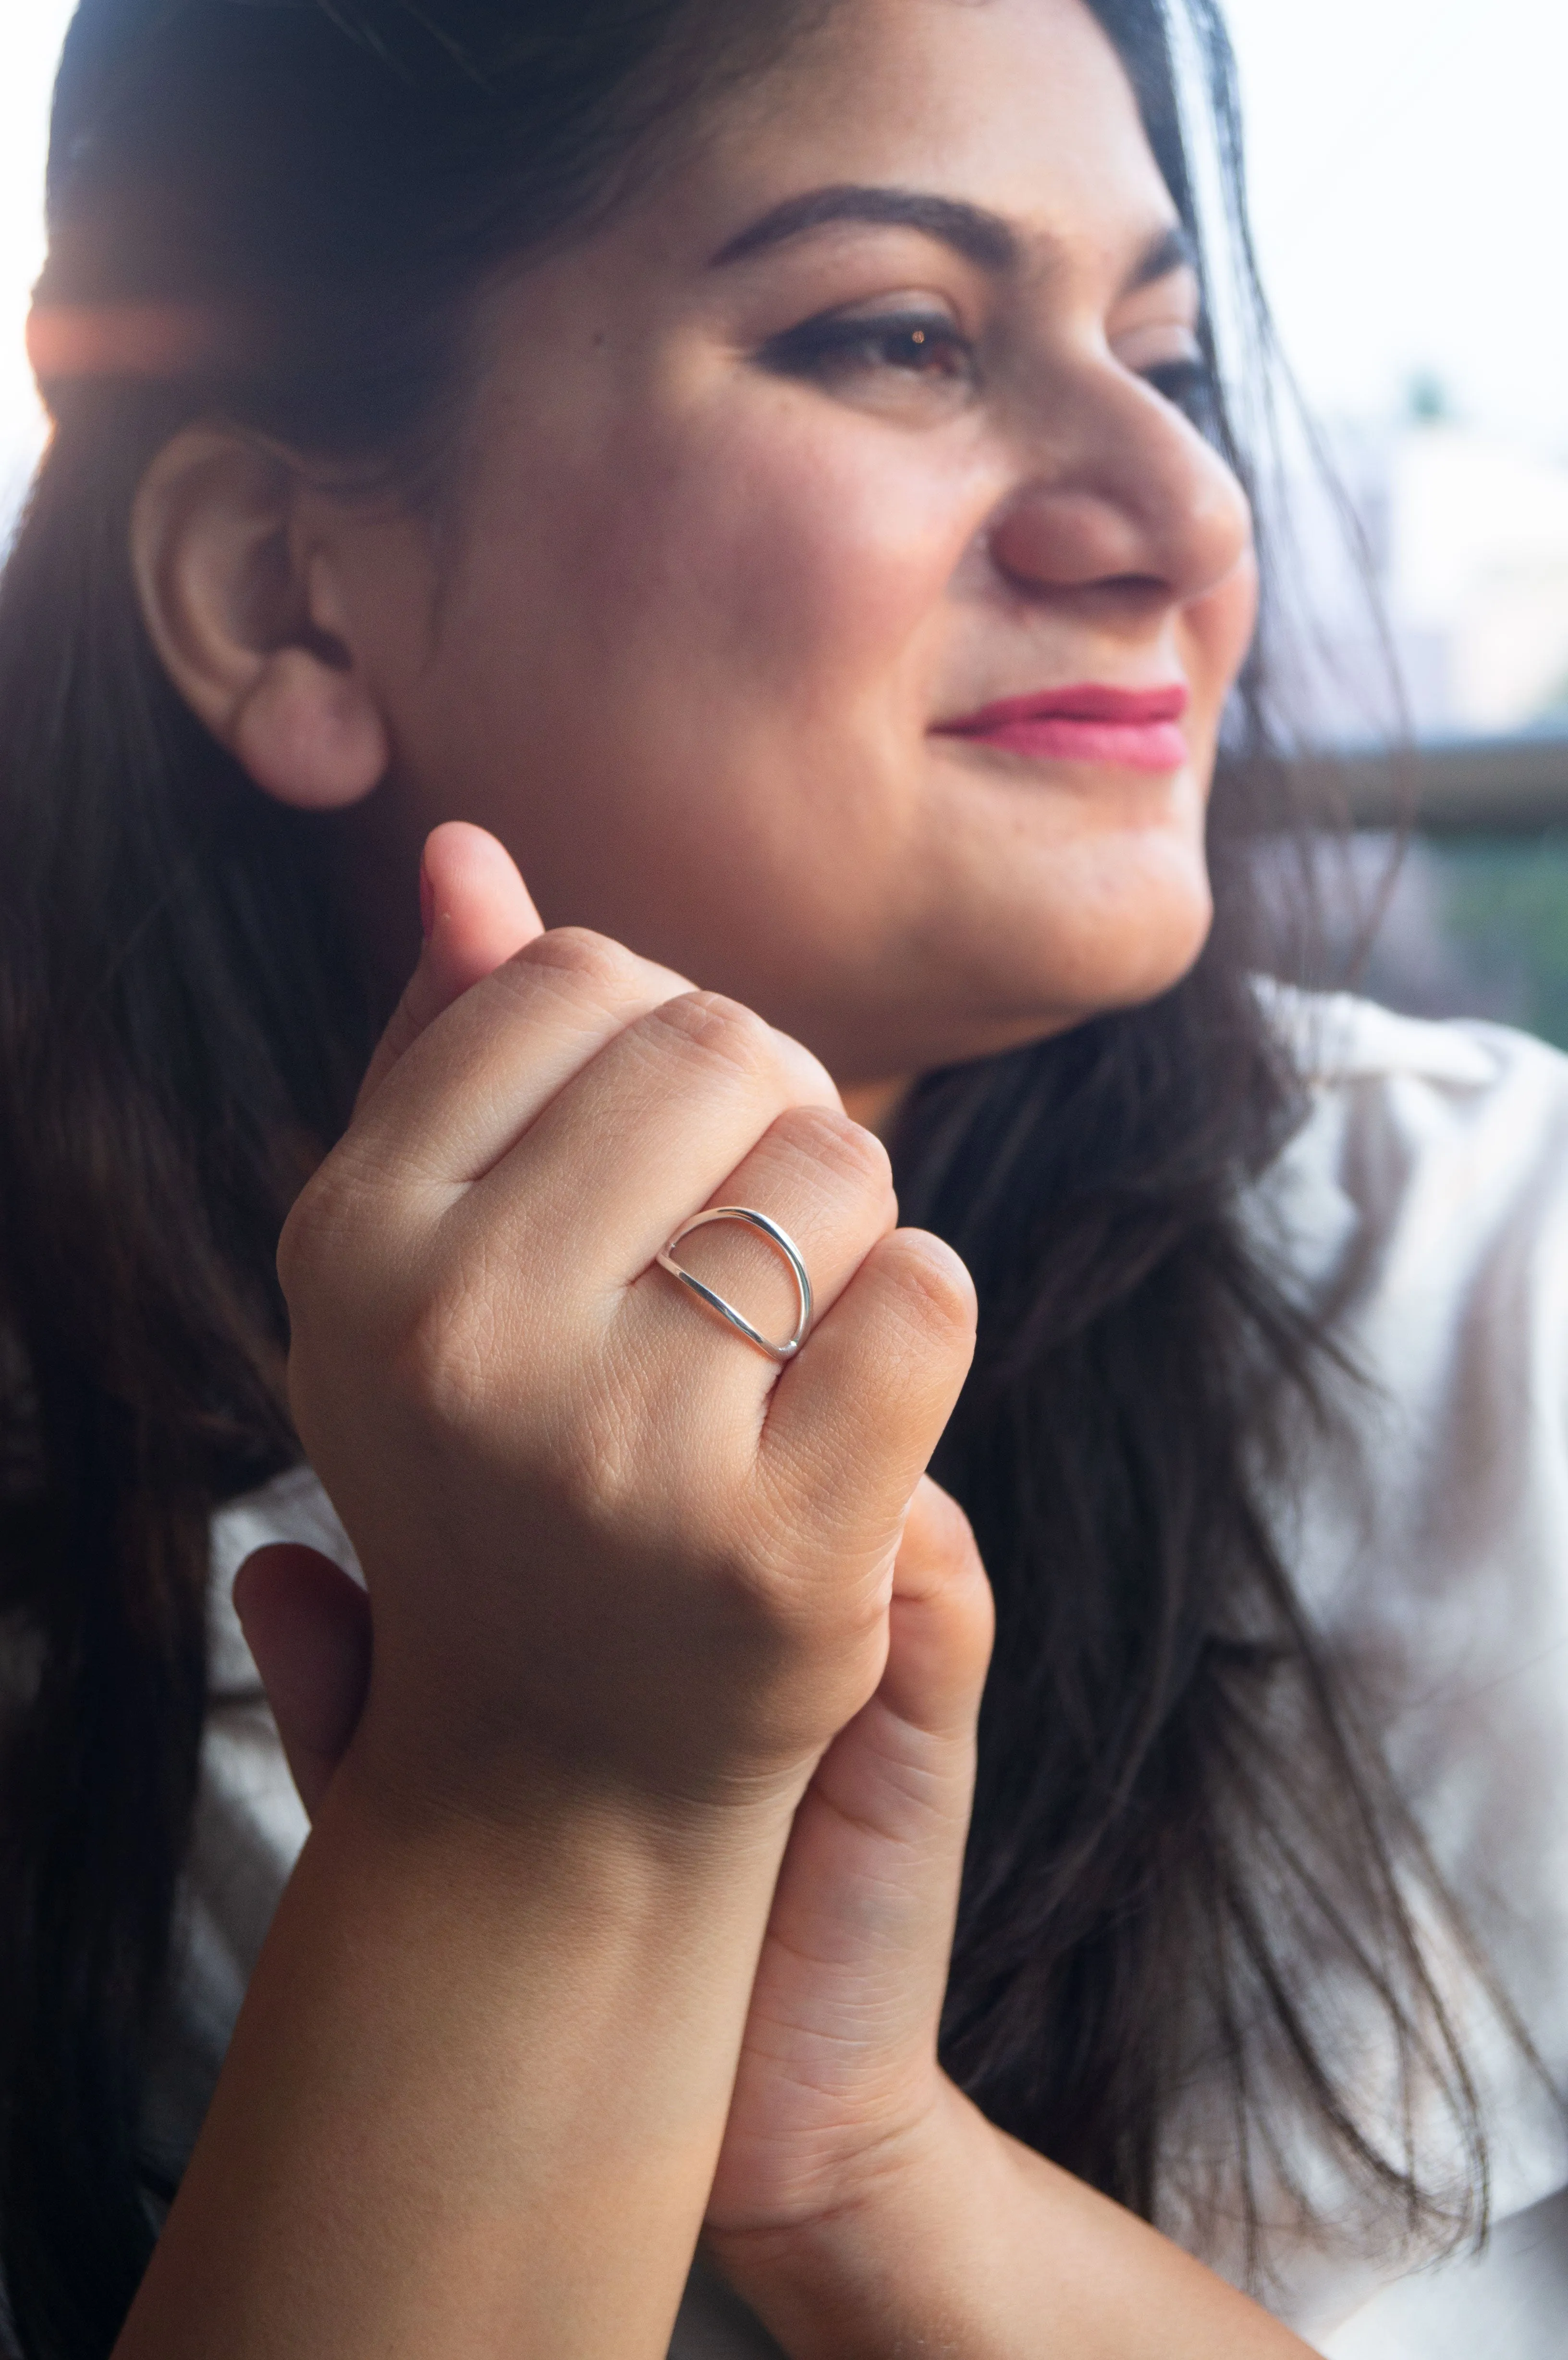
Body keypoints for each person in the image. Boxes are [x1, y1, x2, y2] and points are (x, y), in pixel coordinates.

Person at [0, 0, 1564, 2351]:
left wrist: (860, 2165)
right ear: (281, 591)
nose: (1183, 517)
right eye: (902, 334)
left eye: (1174, 356)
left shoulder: (1493, 1283)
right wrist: (535, 1813)